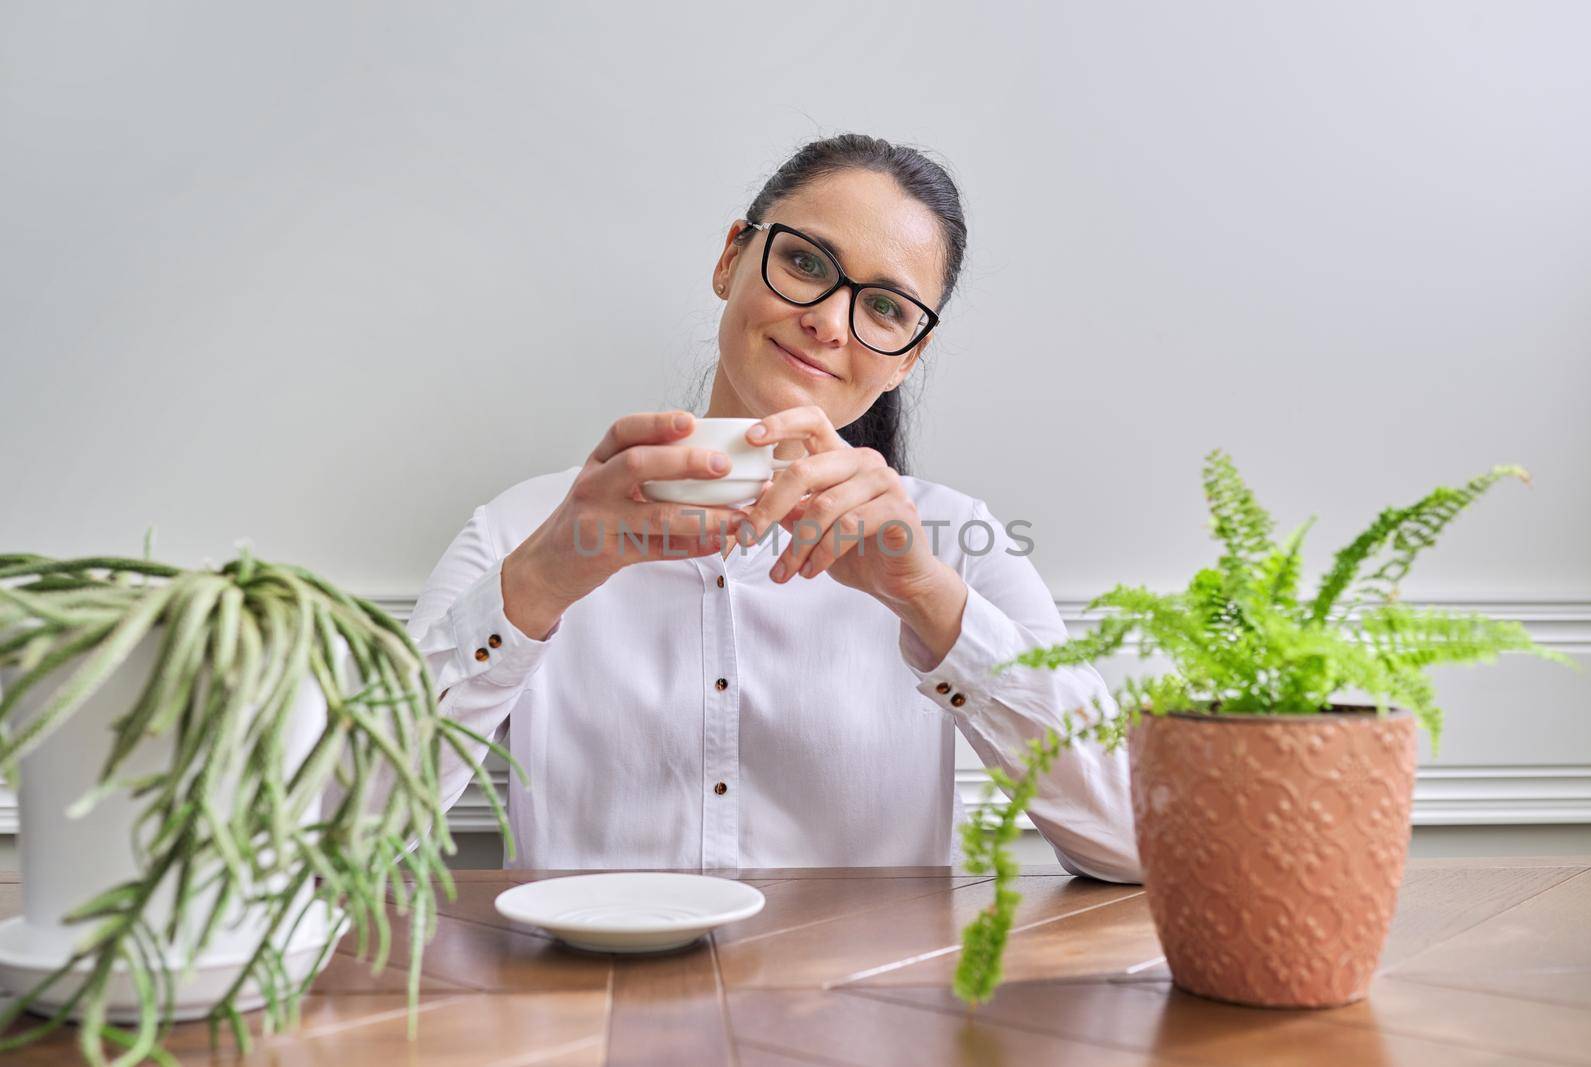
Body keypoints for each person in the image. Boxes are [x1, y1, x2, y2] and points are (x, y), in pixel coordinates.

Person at [408, 133, 1142, 881]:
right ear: (732, 258)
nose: (828, 320)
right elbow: (342, 831)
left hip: (871, 999)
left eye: (885, 307)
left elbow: (1137, 841)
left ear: (908, 356)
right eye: (805, 262)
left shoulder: (959, 546)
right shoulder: (522, 526)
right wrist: (537, 583)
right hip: (583, 992)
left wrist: (927, 598)